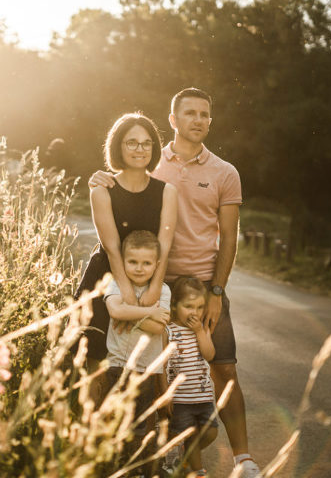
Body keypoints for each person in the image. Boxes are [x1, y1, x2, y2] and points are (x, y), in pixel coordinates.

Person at [89, 88, 260, 477]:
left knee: (223, 368)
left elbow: (229, 238)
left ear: (210, 121)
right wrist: (100, 175)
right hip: (153, 281)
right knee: (155, 372)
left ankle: (244, 459)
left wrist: (216, 290)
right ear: (173, 119)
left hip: (202, 284)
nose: (198, 120)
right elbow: (121, 183)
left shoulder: (225, 172)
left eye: (205, 114)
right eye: (190, 113)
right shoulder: (151, 162)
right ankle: (162, 456)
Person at [73, 113, 177, 405]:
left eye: (146, 143)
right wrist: (126, 292)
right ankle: (92, 433)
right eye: (132, 142)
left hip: (148, 276)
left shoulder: (167, 191)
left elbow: (166, 243)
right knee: (97, 363)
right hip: (106, 276)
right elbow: (111, 245)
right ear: (119, 147)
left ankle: (139, 433)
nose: (139, 149)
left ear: (154, 149)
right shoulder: (102, 189)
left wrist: (154, 287)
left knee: (141, 358)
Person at [102, 230, 171, 475]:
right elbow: (115, 312)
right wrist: (148, 312)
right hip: (117, 366)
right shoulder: (116, 284)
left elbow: (156, 327)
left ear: (157, 265)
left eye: (146, 263)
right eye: (132, 262)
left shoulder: (163, 291)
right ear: (123, 262)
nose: (139, 268)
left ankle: (138, 470)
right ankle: (116, 469)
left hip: (145, 369)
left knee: (141, 424)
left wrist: (134, 314)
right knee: (116, 422)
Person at [160, 276, 218, 477]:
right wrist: (165, 394)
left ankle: (185, 456)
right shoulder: (168, 331)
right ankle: (197, 470)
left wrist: (200, 332)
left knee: (211, 432)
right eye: (189, 306)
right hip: (181, 399)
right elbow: (163, 365)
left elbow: (210, 355)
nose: (195, 312)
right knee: (184, 433)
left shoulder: (201, 329)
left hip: (203, 397)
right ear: (174, 306)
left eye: (200, 307)